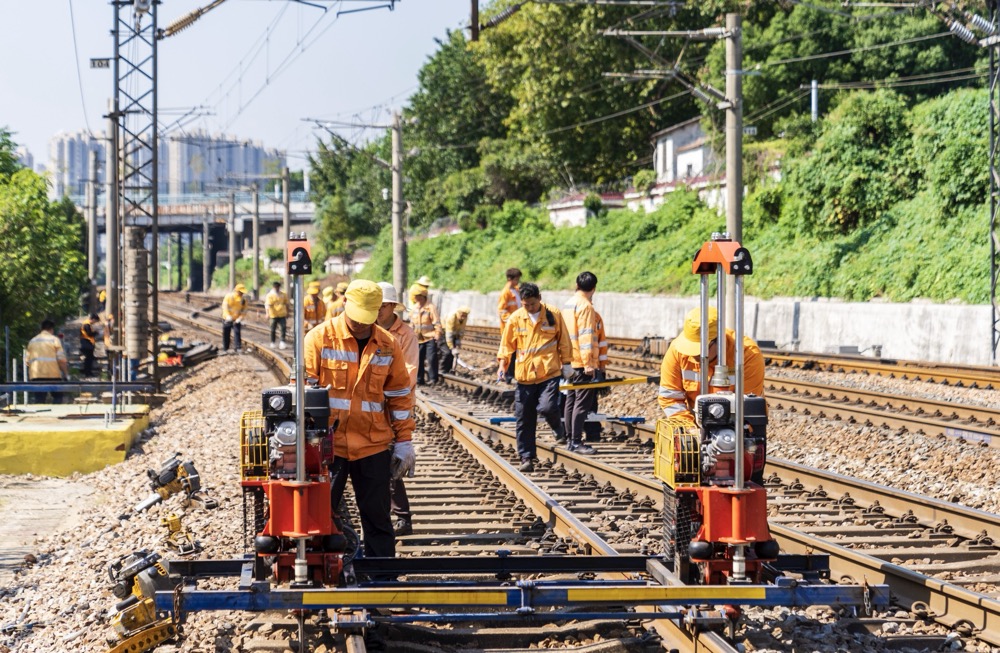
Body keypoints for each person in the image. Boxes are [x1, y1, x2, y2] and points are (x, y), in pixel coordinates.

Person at [304, 280, 415, 559]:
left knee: (378, 518)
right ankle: (323, 574)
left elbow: (400, 396)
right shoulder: (319, 338)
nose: (362, 324)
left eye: (368, 318)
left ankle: (383, 576)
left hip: (372, 445)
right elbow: (302, 393)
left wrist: (404, 441)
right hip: (328, 446)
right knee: (318, 518)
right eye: (357, 318)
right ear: (345, 304)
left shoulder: (388, 344)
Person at [497, 283, 571, 472]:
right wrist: (502, 365)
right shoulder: (516, 318)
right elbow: (506, 345)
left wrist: (567, 363)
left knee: (547, 406)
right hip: (525, 376)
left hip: (549, 372)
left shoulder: (553, 314)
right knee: (524, 418)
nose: (529, 308)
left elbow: (564, 340)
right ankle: (526, 457)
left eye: (532, 304)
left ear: (540, 298)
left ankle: (557, 427)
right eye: (525, 305)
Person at [658, 305, 766, 423]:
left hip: (738, 424)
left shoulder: (747, 354)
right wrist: (688, 428)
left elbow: (749, 404)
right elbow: (670, 398)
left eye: (700, 350)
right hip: (694, 423)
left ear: (719, 340)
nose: (694, 355)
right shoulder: (677, 351)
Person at [376, 282, 419, 537]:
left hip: (396, 406)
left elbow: (409, 374)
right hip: (371, 405)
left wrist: (382, 390)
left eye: (382, 306)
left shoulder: (406, 335)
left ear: (392, 306)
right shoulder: (368, 328)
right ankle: (389, 516)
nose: (378, 310)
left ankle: (402, 516)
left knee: (391, 460)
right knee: (376, 461)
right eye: (375, 306)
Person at [561, 272, 601, 455]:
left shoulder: (569, 304)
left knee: (570, 400)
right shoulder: (586, 306)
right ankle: (576, 442)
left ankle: (570, 440)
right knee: (581, 403)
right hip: (580, 361)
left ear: (576, 285)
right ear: (594, 288)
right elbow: (586, 337)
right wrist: (588, 363)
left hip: (569, 359)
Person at [26, 320, 69, 404]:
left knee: (39, 399)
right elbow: (61, 359)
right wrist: (66, 374)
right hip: (53, 374)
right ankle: (56, 411)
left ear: (41, 329)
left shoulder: (32, 341)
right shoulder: (54, 340)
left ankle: (40, 412)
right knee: (58, 396)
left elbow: (27, 361)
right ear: (51, 329)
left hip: (36, 375)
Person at [410, 284, 442, 385]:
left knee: (431, 358)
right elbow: (412, 323)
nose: (415, 298)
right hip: (418, 338)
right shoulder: (415, 308)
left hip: (429, 337)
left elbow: (437, 322)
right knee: (418, 359)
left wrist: (437, 333)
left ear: (422, 296)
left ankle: (433, 378)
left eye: (417, 296)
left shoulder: (431, 307)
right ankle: (419, 379)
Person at [497, 267, 522, 379]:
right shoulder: (505, 292)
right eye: (517, 279)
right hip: (510, 327)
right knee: (509, 351)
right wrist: (512, 321)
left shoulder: (516, 290)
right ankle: (508, 375)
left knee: (516, 351)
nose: (518, 281)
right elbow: (501, 310)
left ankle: (513, 373)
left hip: (519, 326)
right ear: (510, 279)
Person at [439, 307, 470, 374]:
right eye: (462, 315)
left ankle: (449, 370)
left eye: (465, 316)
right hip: (444, 333)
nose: (463, 317)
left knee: (452, 355)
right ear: (459, 313)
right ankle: (441, 370)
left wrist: (458, 340)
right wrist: (452, 347)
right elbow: (449, 334)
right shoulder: (451, 317)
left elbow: (462, 330)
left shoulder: (464, 318)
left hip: (453, 335)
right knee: (446, 352)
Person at [222, 283, 248, 353]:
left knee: (237, 332)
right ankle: (225, 348)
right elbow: (225, 307)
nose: (242, 293)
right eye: (241, 292)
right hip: (227, 319)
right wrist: (227, 316)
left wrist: (240, 318)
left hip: (236, 319)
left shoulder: (243, 300)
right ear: (237, 291)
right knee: (226, 333)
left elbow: (244, 311)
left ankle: (238, 347)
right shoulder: (229, 297)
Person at [264, 281, 289, 349]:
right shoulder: (270, 295)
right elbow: (267, 305)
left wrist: (287, 312)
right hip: (273, 314)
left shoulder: (283, 294)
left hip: (282, 314)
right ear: (273, 287)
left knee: (283, 328)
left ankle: (282, 342)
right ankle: (273, 342)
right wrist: (267, 313)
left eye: (278, 287)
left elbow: (287, 304)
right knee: (273, 329)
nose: (277, 288)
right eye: (276, 287)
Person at [79, 313, 101, 378]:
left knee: (89, 359)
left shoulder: (87, 324)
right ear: (93, 319)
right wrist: (96, 333)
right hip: (86, 344)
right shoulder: (86, 324)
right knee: (88, 359)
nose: (95, 323)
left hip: (87, 343)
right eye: (95, 321)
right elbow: (89, 334)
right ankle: (88, 372)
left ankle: (88, 372)